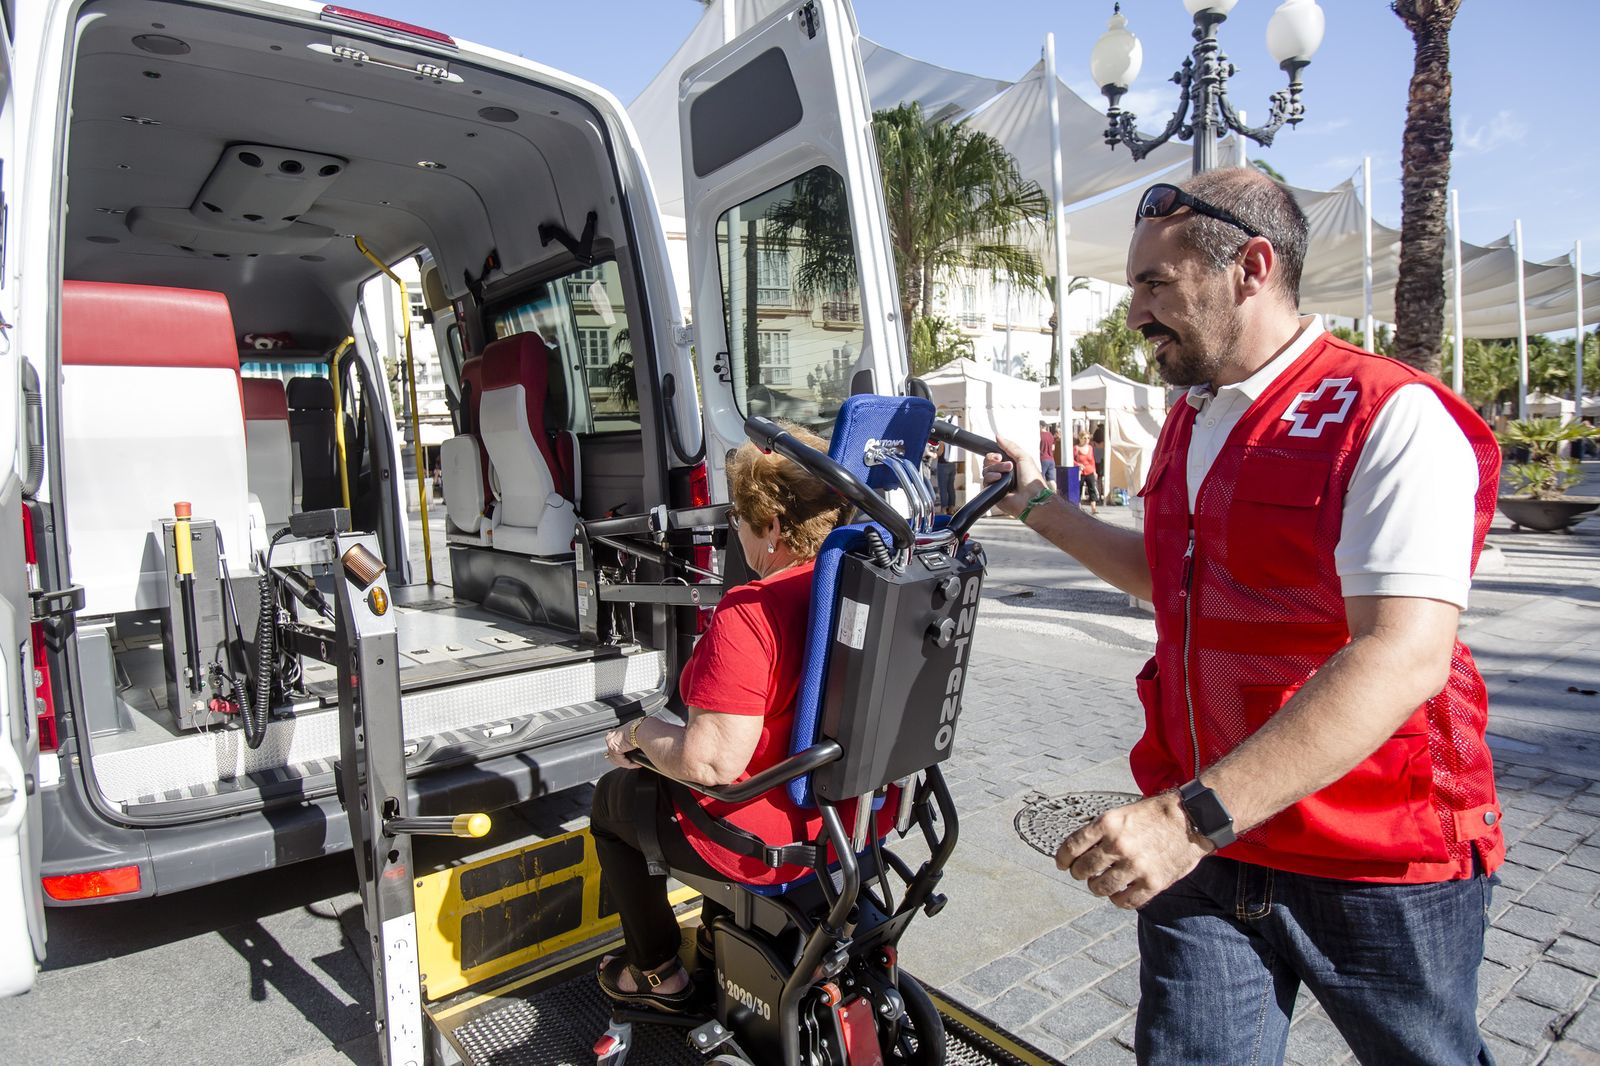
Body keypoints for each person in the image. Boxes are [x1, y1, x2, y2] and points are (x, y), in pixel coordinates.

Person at [981, 168, 1503, 1065]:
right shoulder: (1193, 417)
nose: (1136, 314)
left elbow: (1404, 654)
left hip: (1372, 858)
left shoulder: (1390, 414)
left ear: (1251, 267)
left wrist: (1186, 822)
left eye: (1156, 284)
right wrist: (1036, 506)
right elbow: (1170, 578)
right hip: (1210, 845)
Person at [588, 424, 854, 1013]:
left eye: (739, 518)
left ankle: (655, 971)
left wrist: (638, 732)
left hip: (770, 833)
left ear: (774, 528)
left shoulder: (752, 611)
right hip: (847, 816)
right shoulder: (854, 588)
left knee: (613, 801)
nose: (736, 530)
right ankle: (714, 935)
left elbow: (711, 763)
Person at [936, 412, 962, 515]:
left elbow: (940, 452)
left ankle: (944, 508)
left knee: (943, 488)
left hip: (943, 465)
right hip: (952, 464)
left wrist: (934, 452)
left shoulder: (942, 439)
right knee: (951, 487)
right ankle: (952, 507)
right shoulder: (951, 437)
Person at [1072, 430, 1099, 515]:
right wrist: (1078, 464)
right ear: (1080, 438)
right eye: (1084, 438)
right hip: (1080, 472)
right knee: (1079, 489)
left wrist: (1094, 471)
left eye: (1088, 438)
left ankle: (1093, 508)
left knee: (1092, 489)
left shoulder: (1090, 448)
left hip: (1089, 470)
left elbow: (1092, 460)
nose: (1087, 440)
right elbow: (1071, 460)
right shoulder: (1076, 448)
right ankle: (1078, 507)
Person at [1038, 420, 1057, 490]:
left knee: (1040, 478)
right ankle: (1055, 493)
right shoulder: (1050, 435)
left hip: (1042, 459)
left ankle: (1042, 493)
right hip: (1051, 459)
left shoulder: (1039, 435)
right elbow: (1053, 448)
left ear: (1040, 426)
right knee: (1051, 480)